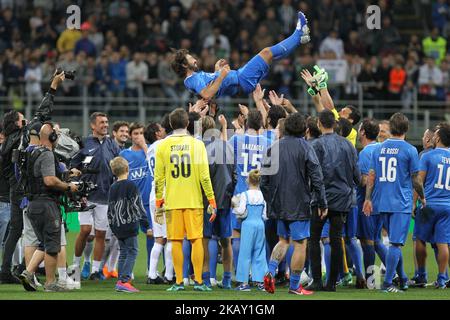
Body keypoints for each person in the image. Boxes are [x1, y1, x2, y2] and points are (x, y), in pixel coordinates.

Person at [0, 70, 64, 284]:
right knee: (34, 232)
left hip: (13, 190)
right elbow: (41, 115)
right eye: (22, 119)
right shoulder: (23, 136)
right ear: (18, 124)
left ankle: (7, 269)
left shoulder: (6, 142)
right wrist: (53, 87)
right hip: (28, 191)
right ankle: (32, 272)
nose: (26, 121)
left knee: (16, 229)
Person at [173, 12, 310, 100]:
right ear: (185, 65)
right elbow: (207, 95)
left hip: (240, 78)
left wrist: (217, 72)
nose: (195, 59)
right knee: (266, 52)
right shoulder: (190, 79)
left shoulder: (195, 78)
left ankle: (300, 38)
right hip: (241, 79)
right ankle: (298, 34)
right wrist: (221, 76)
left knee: (269, 56)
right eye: (191, 59)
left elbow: (214, 88)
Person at [262, 113, 327, 295]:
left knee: (283, 240)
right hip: (299, 203)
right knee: (300, 243)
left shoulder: (272, 148)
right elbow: (317, 178)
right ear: (305, 130)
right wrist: (322, 202)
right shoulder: (306, 148)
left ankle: (270, 272)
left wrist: (271, 200)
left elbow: (263, 181)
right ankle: (295, 286)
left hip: (278, 203)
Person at [154, 108, 217, 292]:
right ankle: (198, 281)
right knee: (196, 240)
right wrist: (212, 202)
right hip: (194, 201)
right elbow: (205, 177)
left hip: (172, 202)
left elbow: (159, 179)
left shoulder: (162, 146)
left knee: (175, 241)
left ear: (171, 125)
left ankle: (179, 281)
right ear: (188, 123)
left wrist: (159, 203)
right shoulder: (197, 145)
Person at [363, 113, 426, 293]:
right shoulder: (410, 150)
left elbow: (371, 177)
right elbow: (416, 180)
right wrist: (422, 197)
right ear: (406, 129)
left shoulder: (378, 149)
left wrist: (368, 199)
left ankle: (403, 278)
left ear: (390, 128)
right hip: (401, 202)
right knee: (396, 244)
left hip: (382, 201)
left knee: (393, 244)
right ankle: (388, 283)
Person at [20, 122, 79, 292]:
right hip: (46, 204)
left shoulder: (32, 153)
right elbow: (49, 180)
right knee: (52, 245)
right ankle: (50, 283)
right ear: (52, 137)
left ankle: (28, 273)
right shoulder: (46, 154)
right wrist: (68, 186)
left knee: (44, 243)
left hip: (32, 204)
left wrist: (64, 174)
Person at [307, 110, 360, 292]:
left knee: (314, 238)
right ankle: (332, 283)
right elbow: (356, 177)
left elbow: (315, 176)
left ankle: (316, 280)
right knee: (337, 239)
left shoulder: (316, 145)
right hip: (343, 199)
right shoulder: (348, 145)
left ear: (320, 123)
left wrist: (321, 202)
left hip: (321, 199)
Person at [70, 112, 121, 280]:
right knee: (85, 230)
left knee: (100, 234)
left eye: (107, 122)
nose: (105, 125)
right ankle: (76, 265)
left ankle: (95, 270)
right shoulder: (83, 143)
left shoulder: (113, 145)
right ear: (93, 125)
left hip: (105, 196)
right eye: (102, 122)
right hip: (86, 195)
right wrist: (77, 187)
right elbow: (73, 167)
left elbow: (117, 168)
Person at [228, 110, 271, 277]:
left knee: (237, 234)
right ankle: (259, 273)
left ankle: (239, 272)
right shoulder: (268, 142)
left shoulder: (235, 140)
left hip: (240, 193)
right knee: (260, 235)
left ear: (245, 123)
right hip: (260, 196)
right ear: (261, 124)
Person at [413, 123, 450, 289]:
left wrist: (416, 201)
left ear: (439, 138)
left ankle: (421, 275)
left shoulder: (428, 156)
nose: (433, 136)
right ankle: (442, 279)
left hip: (429, 203)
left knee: (419, 239)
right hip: (447, 206)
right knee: (442, 242)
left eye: (436, 135)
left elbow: (419, 181)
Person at [108, 157, 152, 293]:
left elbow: (110, 208)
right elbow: (137, 206)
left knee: (123, 252)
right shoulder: (131, 185)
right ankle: (124, 280)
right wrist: (146, 225)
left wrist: (112, 225)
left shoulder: (113, 187)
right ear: (127, 169)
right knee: (132, 251)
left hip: (117, 225)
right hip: (129, 223)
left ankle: (121, 279)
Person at [201, 116, 235, 289]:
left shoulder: (200, 149)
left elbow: (202, 178)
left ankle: (206, 280)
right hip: (225, 201)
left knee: (205, 240)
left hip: (207, 202)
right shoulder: (227, 147)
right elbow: (234, 174)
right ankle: (227, 279)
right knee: (226, 240)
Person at [119, 122, 154, 283]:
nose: (138, 136)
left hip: (148, 202)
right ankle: (128, 271)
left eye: (141, 133)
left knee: (151, 236)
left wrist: (145, 147)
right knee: (129, 238)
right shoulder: (124, 154)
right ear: (130, 136)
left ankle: (150, 269)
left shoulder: (151, 150)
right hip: (131, 204)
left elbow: (155, 166)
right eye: (135, 134)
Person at [356, 119, 388, 284]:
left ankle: (370, 280)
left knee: (368, 241)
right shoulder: (382, 149)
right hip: (381, 202)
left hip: (368, 203)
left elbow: (365, 179)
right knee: (375, 241)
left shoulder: (365, 152)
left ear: (362, 132)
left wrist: (353, 176)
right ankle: (399, 275)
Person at [145, 121, 173, 284]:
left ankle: (152, 274)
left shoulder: (149, 150)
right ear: (157, 133)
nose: (165, 130)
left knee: (159, 238)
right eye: (162, 129)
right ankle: (169, 275)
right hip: (166, 194)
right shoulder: (165, 144)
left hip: (154, 195)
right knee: (169, 237)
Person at [232, 169, 267, 291]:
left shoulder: (244, 195)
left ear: (248, 180)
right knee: (260, 253)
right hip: (260, 224)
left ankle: (244, 283)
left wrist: (234, 208)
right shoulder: (262, 195)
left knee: (245, 253)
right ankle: (260, 282)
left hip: (248, 225)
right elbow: (264, 215)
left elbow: (241, 211)